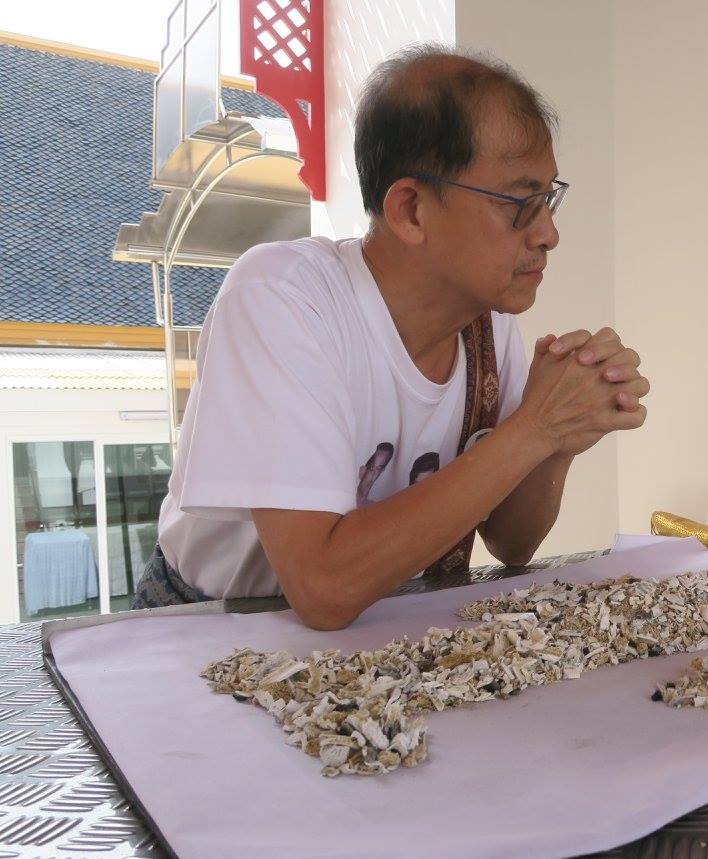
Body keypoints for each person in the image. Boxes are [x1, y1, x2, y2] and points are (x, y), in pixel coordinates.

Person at [132, 46, 650, 628]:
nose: (549, 233)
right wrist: (536, 426)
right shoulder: (283, 296)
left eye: (549, 199)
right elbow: (323, 587)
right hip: (210, 626)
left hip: (381, 621)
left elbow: (512, 541)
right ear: (410, 210)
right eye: (521, 203)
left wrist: (561, 437)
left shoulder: (489, 321)